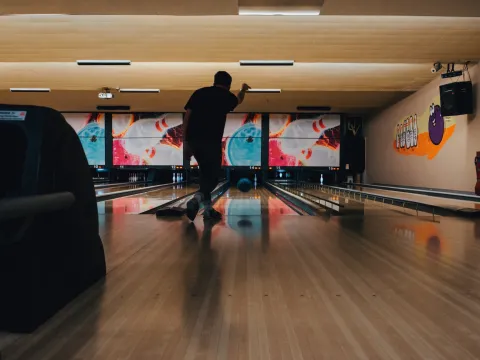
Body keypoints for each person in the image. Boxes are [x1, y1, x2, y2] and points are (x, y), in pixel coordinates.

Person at [183, 71, 250, 221]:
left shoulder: (199, 93)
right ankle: (196, 200)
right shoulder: (226, 97)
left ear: (214, 81)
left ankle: (208, 211)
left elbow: (187, 117)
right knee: (212, 178)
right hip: (211, 142)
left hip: (193, 141)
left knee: (205, 175)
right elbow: (238, 100)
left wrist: (185, 142)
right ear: (229, 85)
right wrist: (243, 90)